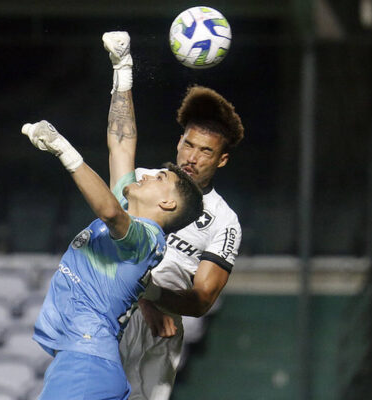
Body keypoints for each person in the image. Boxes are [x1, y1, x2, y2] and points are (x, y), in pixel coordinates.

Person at [102, 31, 244, 400]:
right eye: (188, 144)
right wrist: (122, 73)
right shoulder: (146, 183)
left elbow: (201, 300)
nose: (191, 157)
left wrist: (151, 296)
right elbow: (120, 144)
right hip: (117, 309)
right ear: (178, 141)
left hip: (160, 328)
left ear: (222, 159)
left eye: (205, 151)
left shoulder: (224, 221)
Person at [21, 119, 203, 400]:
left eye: (159, 178)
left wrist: (62, 149)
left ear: (167, 204)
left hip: (86, 362)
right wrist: (122, 76)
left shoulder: (145, 237)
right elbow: (119, 147)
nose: (145, 175)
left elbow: (110, 211)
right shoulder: (134, 235)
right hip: (87, 362)